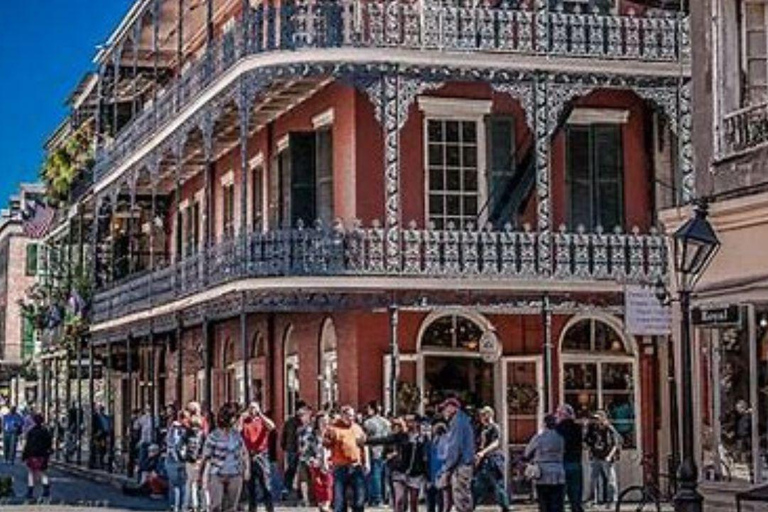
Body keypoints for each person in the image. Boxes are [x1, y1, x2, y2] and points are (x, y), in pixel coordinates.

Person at [368, 415, 428, 512]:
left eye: (411, 421)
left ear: (417, 423)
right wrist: (367, 440)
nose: (409, 424)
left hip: (415, 473)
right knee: (399, 500)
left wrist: (426, 473)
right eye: (407, 421)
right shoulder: (401, 436)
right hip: (400, 471)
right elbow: (385, 440)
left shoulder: (422, 438)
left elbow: (426, 456)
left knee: (413, 502)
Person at [199, 403, 250, 512]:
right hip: (217, 474)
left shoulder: (236, 435)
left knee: (232, 507)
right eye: (234, 417)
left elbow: (244, 453)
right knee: (216, 506)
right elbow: (205, 456)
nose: (236, 420)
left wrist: (246, 470)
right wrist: (201, 474)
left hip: (235, 473)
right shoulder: (214, 435)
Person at [324, 404, 367, 512]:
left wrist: (366, 462)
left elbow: (364, 446)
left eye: (352, 416)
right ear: (342, 416)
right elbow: (325, 446)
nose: (351, 418)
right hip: (340, 468)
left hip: (356, 467)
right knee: (340, 501)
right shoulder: (333, 429)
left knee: (359, 500)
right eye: (348, 415)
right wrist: (326, 462)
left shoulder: (358, 428)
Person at [437, 398, 475, 512]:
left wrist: (447, 467)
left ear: (453, 407)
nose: (444, 411)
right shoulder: (463, 420)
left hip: (461, 465)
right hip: (464, 463)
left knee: (461, 498)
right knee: (462, 496)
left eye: (445, 408)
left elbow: (454, 447)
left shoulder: (457, 421)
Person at [525, 414, 565, 512]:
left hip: (543, 472)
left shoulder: (539, 437)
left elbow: (527, 452)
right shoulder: (561, 437)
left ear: (545, 424)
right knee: (557, 503)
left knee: (544, 503)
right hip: (558, 471)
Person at [241, 401, 276, 512]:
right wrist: (242, 417)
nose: (252, 410)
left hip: (261, 455)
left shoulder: (262, 420)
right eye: (250, 408)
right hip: (248, 455)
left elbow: (272, 427)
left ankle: (269, 508)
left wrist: (260, 414)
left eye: (255, 408)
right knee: (250, 486)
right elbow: (236, 430)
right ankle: (252, 509)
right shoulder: (245, 422)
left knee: (266, 484)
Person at [472, 406, 509, 512]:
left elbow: (496, 443)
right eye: (481, 416)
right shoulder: (480, 429)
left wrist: (483, 453)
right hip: (482, 462)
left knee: (498, 486)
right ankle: (470, 508)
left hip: (493, 460)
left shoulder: (494, 427)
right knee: (477, 486)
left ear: (489, 415)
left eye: (484, 415)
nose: (481, 418)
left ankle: (505, 507)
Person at [584, 410, 621, 507]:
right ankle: (593, 500)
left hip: (606, 457)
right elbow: (587, 440)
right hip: (596, 456)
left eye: (598, 418)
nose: (596, 421)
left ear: (604, 418)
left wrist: (610, 456)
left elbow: (616, 444)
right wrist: (586, 427)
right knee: (593, 479)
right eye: (595, 419)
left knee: (610, 480)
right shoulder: (592, 428)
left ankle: (612, 501)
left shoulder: (609, 429)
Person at [555, 404, 584, 512]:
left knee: (559, 497)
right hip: (575, 463)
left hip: (561, 463)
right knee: (575, 498)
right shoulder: (577, 428)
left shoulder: (557, 429)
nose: (556, 415)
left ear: (563, 415)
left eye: (558, 413)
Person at [363, 401, 390, 507]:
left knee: (375, 475)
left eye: (368, 408)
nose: (367, 411)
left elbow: (366, 438)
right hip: (384, 451)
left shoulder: (369, 423)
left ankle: (376, 499)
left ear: (372, 409)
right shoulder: (387, 422)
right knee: (383, 476)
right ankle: (384, 498)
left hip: (374, 451)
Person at [21, 414, 53, 500]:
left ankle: (30, 492)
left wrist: (24, 455)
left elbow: (28, 445)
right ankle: (46, 490)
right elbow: (49, 444)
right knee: (42, 473)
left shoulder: (31, 432)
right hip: (42, 455)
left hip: (33, 454)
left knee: (31, 473)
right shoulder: (45, 431)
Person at [308, 412, 334, 512]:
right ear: (317, 422)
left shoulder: (332, 434)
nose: (325, 423)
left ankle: (327, 505)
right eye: (322, 421)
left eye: (327, 421)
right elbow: (306, 449)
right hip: (316, 463)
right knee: (318, 484)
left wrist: (332, 460)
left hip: (329, 463)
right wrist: (311, 459)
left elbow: (336, 448)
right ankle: (321, 505)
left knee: (328, 484)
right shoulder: (312, 435)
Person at [281, 401, 307, 498]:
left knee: (295, 470)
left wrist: (285, 447)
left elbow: (284, 436)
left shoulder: (290, 421)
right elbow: (284, 435)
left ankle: (291, 490)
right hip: (293, 449)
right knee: (294, 469)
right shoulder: (295, 421)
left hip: (294, 449)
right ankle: (288, 489)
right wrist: (285, 447)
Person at [165, 410, 189, 512]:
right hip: (185, 459)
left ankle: (174, 507)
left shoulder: (174, 428)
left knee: (174, 485)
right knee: (183, 485)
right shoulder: (189, 429)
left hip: (172, 458)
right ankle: (183, 507)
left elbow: (170, 442)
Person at [182, 414, 206, 512]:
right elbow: (205, 448)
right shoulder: (202, 434)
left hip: (189, 460)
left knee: (190, 482)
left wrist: (183, 456)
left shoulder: (187, 433)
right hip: (199, 460)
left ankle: (188, 504)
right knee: (200, 483)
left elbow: (181, 446)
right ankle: (202, 505)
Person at [426, 421, 449, 512]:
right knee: (437, 498)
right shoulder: (434, 441)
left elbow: (443, 457)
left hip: (438, 472)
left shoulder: (442, 441)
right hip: (434, 472)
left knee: (438, 498)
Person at [297, 407, 316, 506]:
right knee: (303, 479)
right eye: (301, 416)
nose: (302, 418)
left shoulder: (313, 428)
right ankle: (306, 500)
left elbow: (315, 442)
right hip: (302, 457)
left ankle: (315, 498)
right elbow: (299, 442)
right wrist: (300, 450)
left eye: (303, 415)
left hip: (312, 457)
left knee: (314, 478)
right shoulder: (300, 429)